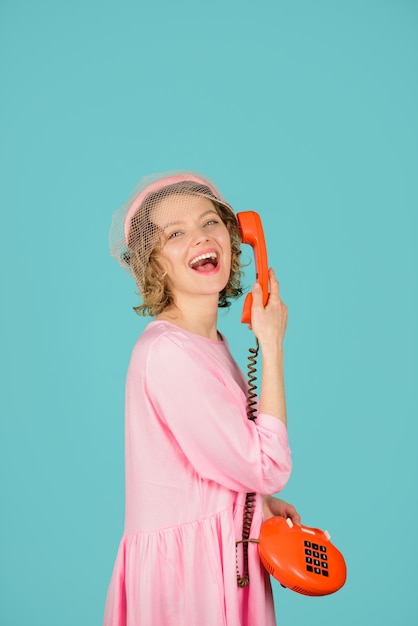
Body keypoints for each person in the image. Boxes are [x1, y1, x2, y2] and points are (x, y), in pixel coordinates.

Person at [104, 171, 300, 626]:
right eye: (175, 233)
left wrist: (256, 504)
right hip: (188, 582)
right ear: (154, 264)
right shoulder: (169, 353)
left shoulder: (208, 345)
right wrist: (271, 345)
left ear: (236, 239)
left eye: (210, 222)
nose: (200, 237)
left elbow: (218, 464)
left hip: (221, 561)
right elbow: (268, 466)